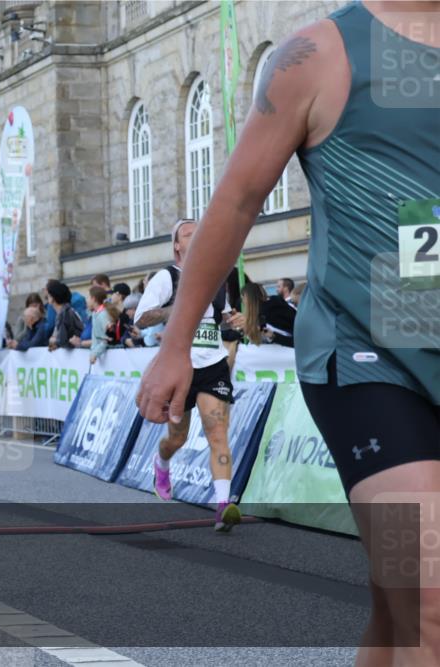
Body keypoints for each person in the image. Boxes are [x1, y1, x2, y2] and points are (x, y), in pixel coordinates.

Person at [136, 3, 438, 661]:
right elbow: (239, 199)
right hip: (368, 355)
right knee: (428, 598)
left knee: (397, 607)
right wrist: (176, 343)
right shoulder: (321, 52)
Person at [134, 220, 246, 531]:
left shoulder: (217, 279)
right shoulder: (166, 277)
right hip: (179, 366)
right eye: (187, 233)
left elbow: (222, 319)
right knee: (177, 437)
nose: (195, 235)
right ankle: (162, 463)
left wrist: (235, 320)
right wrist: (180, 308)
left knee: (218, 433)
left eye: (200, 231)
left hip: (213, 365)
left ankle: (223, 505)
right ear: (177, 246)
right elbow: (142, 318)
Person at [46, 280, 84, 351]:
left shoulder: (65, 313)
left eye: (48, 295)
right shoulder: (63, 312)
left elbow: (62, 340)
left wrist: (53, 340)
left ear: (53, 298)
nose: (47, 297)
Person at [88, 286, 112, 364]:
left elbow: (105, 339)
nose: (87, 300)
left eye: (89, 297)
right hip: (97, 356)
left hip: (103, 357)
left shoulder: (103, 315)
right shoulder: (95, 314)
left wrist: (95, 353)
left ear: (94, 299)